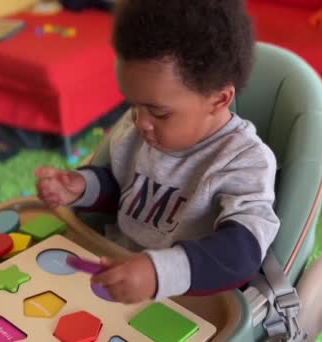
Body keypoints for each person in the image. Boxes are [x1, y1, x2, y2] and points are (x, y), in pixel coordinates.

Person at [35, 0, 280, 304]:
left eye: (159, 113)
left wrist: (157, 273)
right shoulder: (139, 129)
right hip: (116, 276)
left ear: (219, 100)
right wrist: (83, 186)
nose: (140, 122)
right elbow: (125, 191)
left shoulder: (243, 161)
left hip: (189, 299)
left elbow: (243, 252)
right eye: (132, 104)